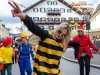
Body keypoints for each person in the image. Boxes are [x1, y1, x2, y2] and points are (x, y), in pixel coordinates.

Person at [8, 1, 72, 75]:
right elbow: (35, 28)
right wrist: (24, 16)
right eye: (59, 31)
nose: (60, 35)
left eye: (64, 35)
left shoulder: (63, 44)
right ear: (57, 29)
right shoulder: (46, 35)